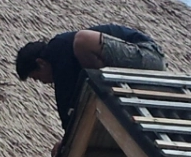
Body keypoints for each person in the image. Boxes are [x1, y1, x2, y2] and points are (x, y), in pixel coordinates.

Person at [15, 24, 167, 132]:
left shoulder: (58, 48)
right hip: (136, 67)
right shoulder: (69, 65)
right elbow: (72, 104)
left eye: (37, 77)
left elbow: (64, 98)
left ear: (40, 63)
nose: (42, 82)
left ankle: (106, 91)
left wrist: (67, 136)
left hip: (147, 55)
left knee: (83, 40)